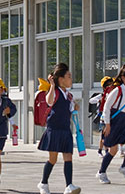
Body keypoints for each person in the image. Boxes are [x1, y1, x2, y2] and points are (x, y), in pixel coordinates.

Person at [37, 63, 81, 194]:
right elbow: (49, 101)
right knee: (53, 159)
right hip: (54, 129)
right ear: (61, 79)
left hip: (65, 129)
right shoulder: (55, 91)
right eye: (69, 76)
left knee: (68, 157)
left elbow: (71, 109)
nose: (71, 79)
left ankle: (69, 185)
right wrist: (51, 86)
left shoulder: (68, 95)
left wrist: (75, 107)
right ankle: (43, 183)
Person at [96, 65, 125, 184]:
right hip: (115, 121)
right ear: (123, 78)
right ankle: (102, 172)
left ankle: (124, 166)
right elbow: (107, 107)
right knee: (113, 150)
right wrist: (107, 124)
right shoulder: (117, 90)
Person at [89, 76, 114, 157]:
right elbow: (91, 100)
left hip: (111, 117)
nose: (110, 86)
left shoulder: (113, 95)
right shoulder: (102, 95)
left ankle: (103, 150)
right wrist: (99, 100)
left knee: (109, 134)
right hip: (103, 117)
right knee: (103, 134)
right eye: (108, 85)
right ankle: (103, 151)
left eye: (111, 84)